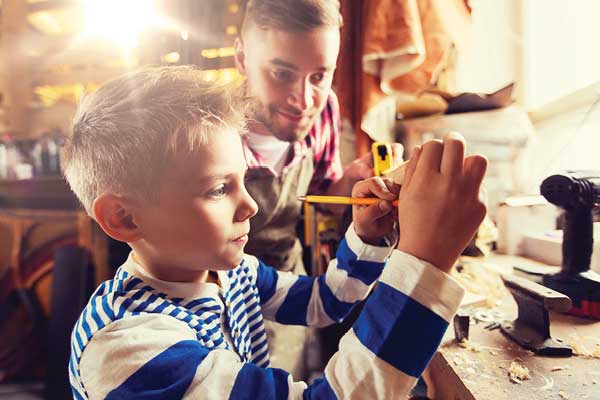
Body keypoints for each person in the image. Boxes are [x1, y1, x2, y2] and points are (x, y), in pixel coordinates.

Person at [64, 66, 487, 399]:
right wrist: (424, 261)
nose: (251, 205)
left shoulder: (230, 274)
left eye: (243, 180)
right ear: (124, 218)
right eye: (217, 189)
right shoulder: (130, 348)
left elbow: (326, 302)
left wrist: (368, 237)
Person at [234, 0, 402, 376]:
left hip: (295, 290)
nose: (304, 99)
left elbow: (323, 198)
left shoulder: (324, 110)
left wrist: (354, 184)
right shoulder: (210, 133)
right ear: (242, 58)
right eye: (281, 73)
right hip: (225, 299)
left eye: (320, 76)